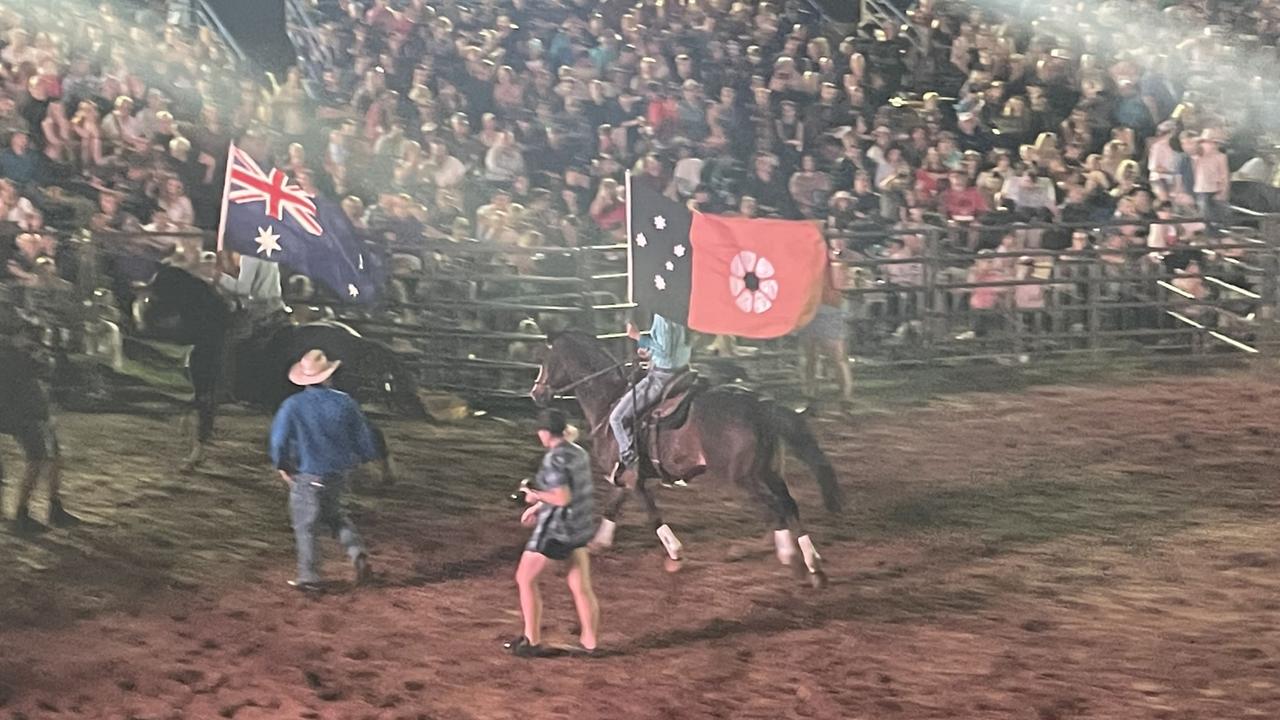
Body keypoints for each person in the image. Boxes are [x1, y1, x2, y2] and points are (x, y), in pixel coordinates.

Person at [268, 349, 377, 592]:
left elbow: (278, 442)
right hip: (337, 473)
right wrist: (365, 461)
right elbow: (363, 436)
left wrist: (282, 466)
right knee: (335, 515)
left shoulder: (292, 406)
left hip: (306, 474)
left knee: (305, 526)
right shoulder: (345, 402)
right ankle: (356, 551)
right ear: (328, 375)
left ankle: (309, 576)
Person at [505, 408, 599, 657]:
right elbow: (572, 491)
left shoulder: (554, 458)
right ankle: (589, 642)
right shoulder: (579, 453)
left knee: (525, 578)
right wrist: (538, 506)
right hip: (580, 525)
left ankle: (532, 640)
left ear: (545, 433)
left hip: (557, 530)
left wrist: (534, 495)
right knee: (580, 585)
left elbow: (561, 496)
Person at [0, 340, 77, 533]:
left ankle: (55, 507)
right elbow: (39, 369)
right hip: (23, 416)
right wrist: (37, 355)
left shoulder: (16, 352)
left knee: (55, 457)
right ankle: (21, 513)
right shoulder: (9, 355)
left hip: (35, 412)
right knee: (37, 459)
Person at [608, 314, 693, 487]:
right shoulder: (680, 312)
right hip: (682, 372)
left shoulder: (663, 316)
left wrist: (638, 336)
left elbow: (664, 353)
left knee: (616, 418)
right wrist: (647, 349)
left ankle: (631, 461)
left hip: (662, 377)